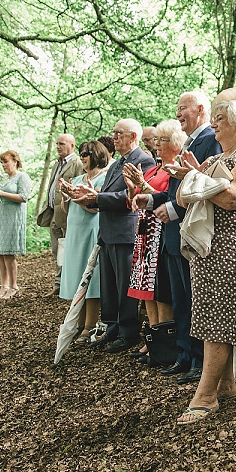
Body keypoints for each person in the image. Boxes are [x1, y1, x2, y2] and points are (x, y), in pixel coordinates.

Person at [160, 88, 236, 425]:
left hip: (234, 249)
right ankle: (227, 385)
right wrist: (193, 177)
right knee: (207, 315)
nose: (215, 126)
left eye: (220, 120)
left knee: (220, 320)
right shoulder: (214, 161)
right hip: (209, 249)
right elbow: (183, 195)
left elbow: (235, 198)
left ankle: (205, 396)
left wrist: (198, 180)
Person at [138, 91, 222, 385]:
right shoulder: (189, 142)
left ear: (200, 109)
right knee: (181, 300)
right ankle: (184, 355)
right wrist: (149, 201)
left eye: (182, 109)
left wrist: (172, 208)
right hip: (172, 237)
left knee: (194, 300)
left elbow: (205, 188)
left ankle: (199, 360)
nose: (178, 114)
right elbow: (177, 188)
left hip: (192, 232)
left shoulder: (211, 139)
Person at [71, 120, 154, 353]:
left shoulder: (144, 160)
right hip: (107, 231)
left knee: (124, 285)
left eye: (119, 133)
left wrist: (96, 198)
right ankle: (112, 327)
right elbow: (108, 194)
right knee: (108, 286)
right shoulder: (117, 163)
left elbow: (129, 197)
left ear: (134, 136)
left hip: (126, 231)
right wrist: (91, 196)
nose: (114, 137)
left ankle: (128, 331)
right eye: (114, 133)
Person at [122, 119, 184, 363]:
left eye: (162, 140)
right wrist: (131, 188)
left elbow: (164, 197)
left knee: (161, 289)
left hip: (161, 231)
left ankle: (164, 343)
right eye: (156, 140)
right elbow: (135, 201)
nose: (157, 144)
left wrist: (141, 185)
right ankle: (152, 339)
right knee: (146, 292)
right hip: (144, 234)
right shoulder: (152, 169)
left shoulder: (175, 170)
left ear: (176, 144)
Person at [58, 140, 111, 344]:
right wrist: (66, 196)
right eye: (80, 154)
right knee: (76, 275)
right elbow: (68, 209)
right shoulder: (78, 178)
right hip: (75, 232)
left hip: (91, 230)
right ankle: (78, 323)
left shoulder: (104, 178)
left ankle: (89, 325)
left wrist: (78, 198)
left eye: (85, 154)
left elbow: (95, 208)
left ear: (96, 155)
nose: (82, 158)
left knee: (91, 277)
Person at [36, 134, 83, 297]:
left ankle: (69, 285)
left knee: (68, 249)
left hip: (67, 213)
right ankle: (58, 284)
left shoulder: (77, 163)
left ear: (72, 145)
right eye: (56, 144)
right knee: (57, 250)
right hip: (53, 213)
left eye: (61, 144)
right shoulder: (57, 163)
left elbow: (79, 186)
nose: (58, 146)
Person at [0, 150, 32, 299]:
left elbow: (23, 197)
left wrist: (3, 194)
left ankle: (14, 286)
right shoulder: (2, 179)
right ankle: (4, 286)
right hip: (1, 217)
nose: (3, 165)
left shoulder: (22, 177)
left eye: (5, 162)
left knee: (8, 253)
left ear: (15, 161)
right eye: (1, 163)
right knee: (0, 253)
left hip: (14, 218)